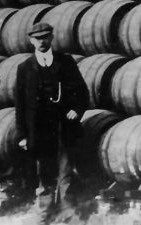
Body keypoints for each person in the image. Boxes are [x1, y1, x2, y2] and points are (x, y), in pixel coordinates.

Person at [15, 22, 88, 225]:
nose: (42, 41)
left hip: (64, 126)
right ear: (31, 40)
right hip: (39, 130)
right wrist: (22, 135)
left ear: (51, 38)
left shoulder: (66, 62)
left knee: (66, 172)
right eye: (37, 38)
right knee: (45, 173)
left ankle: (68, 213)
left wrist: (77, 109)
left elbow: (82, 91)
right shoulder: (24, 68)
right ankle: (45, 212)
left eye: (45, 37)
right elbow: (20, 104)